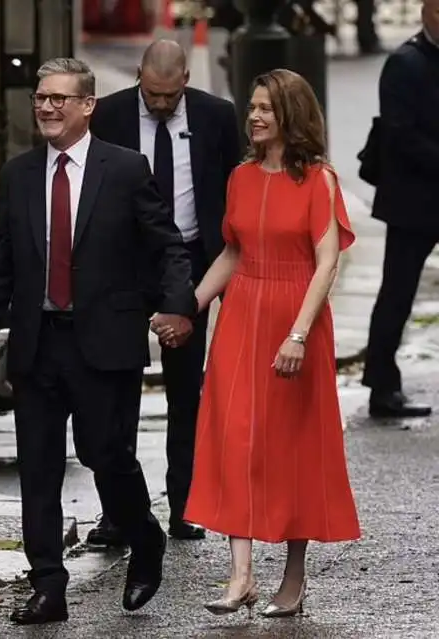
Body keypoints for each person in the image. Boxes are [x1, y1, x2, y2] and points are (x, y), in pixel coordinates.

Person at [0, 57, 196, 625]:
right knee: (38, 466)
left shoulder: (124, 169)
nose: (46, 107)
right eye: (41, 98)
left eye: (59, 99)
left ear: (87, 106)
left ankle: (145, 540)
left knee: (105, 455)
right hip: (37, 343)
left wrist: (176, 304)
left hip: (104, 343)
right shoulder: (20, 173)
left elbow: (168, 245)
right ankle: (48, 583)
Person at [177, 69, 360, 618]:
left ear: (291, 116)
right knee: (235, 440)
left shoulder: (319, 181)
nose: (254, 116)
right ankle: (240, 576)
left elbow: (327, 261)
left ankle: (294, 577)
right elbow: (234, 254)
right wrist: (190, 306)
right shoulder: (240, 177)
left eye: (266, 108)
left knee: (290, 447)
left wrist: (299, 334)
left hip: (295, 321)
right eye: (252, 107)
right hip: (241, 320)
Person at [88, 38, 241, 546]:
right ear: (138, 76)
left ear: (186, 82)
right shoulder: (108, 115)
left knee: (185, 392)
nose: (157, 105)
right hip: (123, 265)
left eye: (167, 97)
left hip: (190, 264)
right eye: (150, 94)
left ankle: (184, 507)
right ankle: (118, 514)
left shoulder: (217, 116)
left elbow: (231, 184)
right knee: (116, 388)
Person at [360, 0, 439, 419]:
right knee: (398, 293)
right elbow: (399, 134)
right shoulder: (404, 63)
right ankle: (382, 386)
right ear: (425, 11)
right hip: (414, 200)